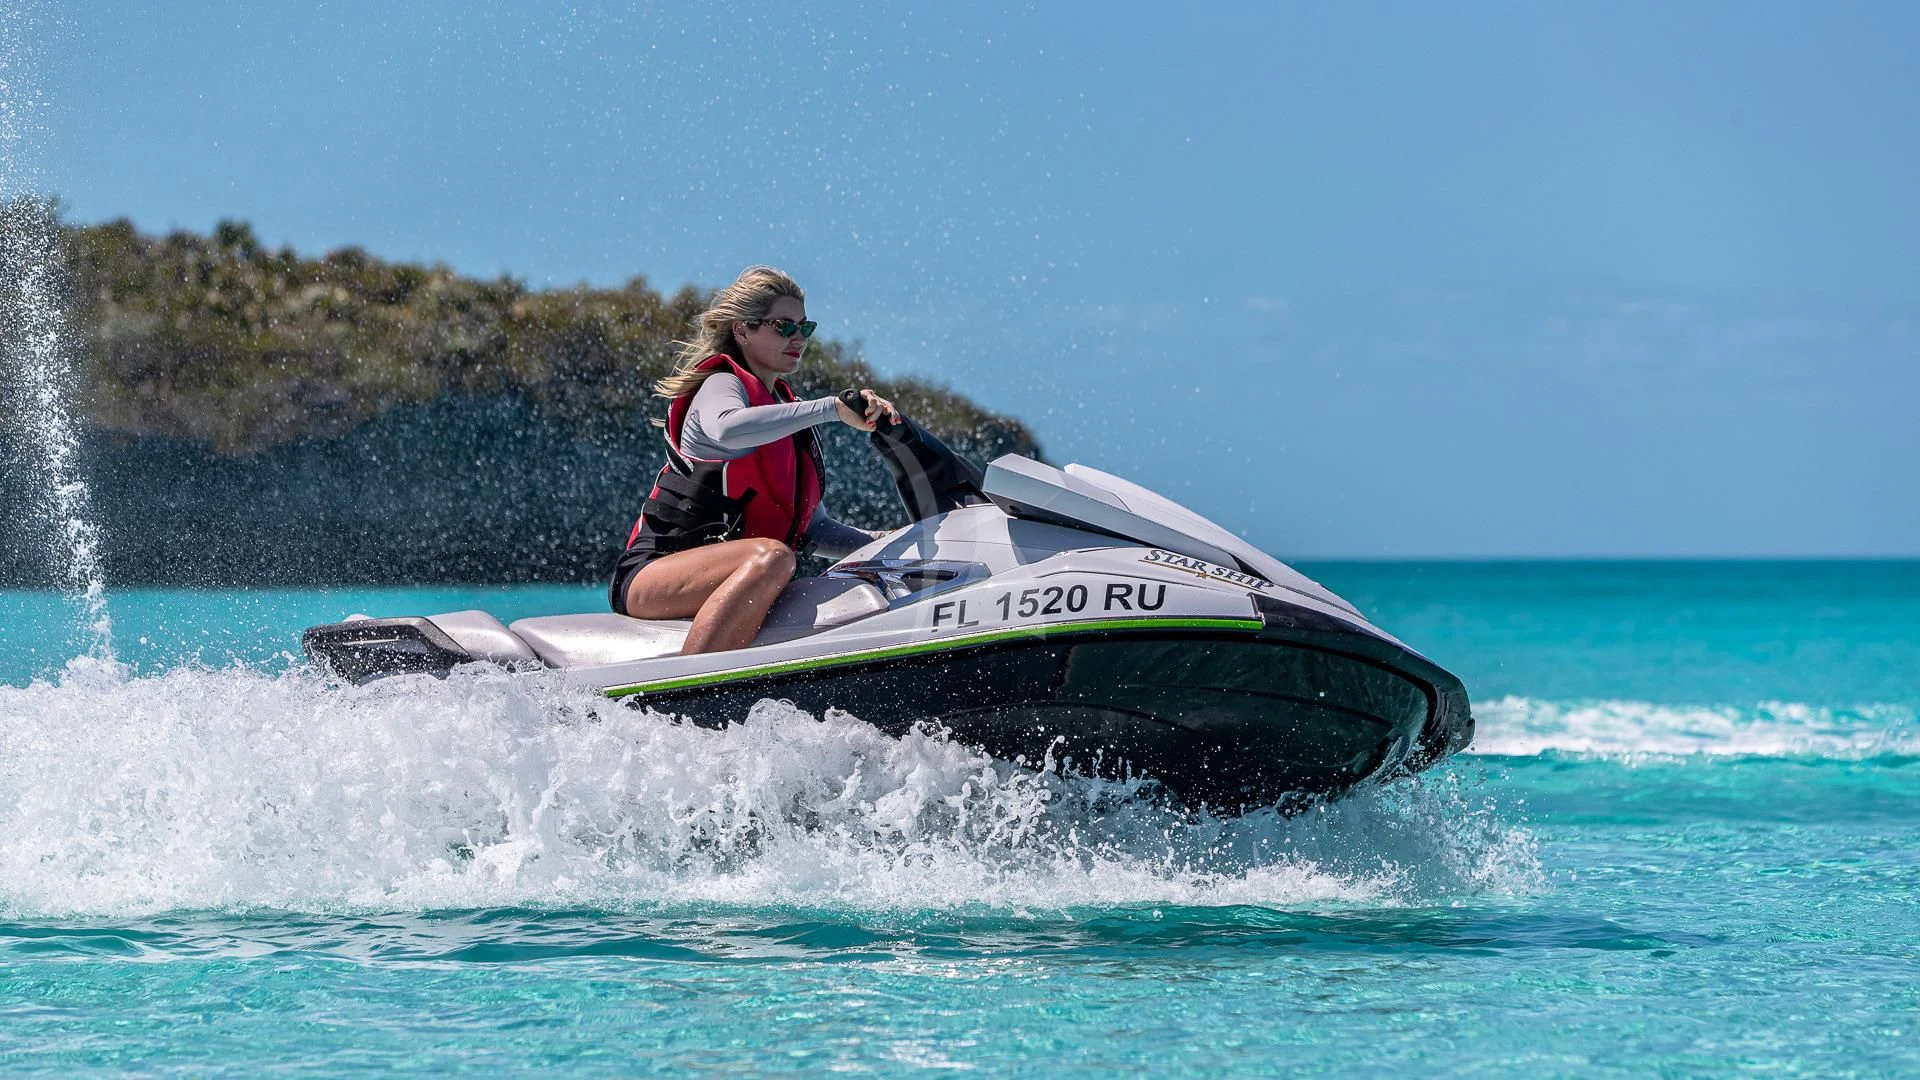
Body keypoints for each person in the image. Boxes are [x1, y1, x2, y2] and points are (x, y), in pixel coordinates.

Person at [609, 265, 901, 654]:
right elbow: (726, 429)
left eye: (805, 328)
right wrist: (831, 408)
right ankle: (696, 684)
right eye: (784, 326)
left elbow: (814, 530)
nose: (798, 338)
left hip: (741, 573)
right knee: (775, 557)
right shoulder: (720, 385)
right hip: (651, 575)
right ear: (743, 330)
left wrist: (890, 543)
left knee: (799, 569)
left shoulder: (786, 414)